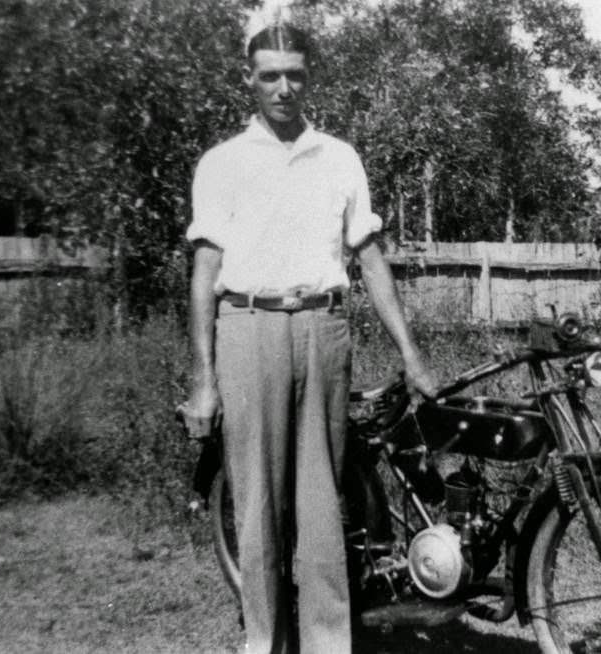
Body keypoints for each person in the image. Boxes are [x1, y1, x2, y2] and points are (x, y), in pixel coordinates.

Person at [180, 15, 438, 654]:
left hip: (324, 331)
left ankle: (328, 645)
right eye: (270, 76)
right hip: (248, 329)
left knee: (323, 508)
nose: (283, 89)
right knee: (259, 508)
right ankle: (264, 643)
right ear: (250, 80)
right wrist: (204, 381)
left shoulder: (340, 157)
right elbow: (204, 274)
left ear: (310, 78)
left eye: (295, 75)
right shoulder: (223, 164)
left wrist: (412, 356)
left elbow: (371, 260)